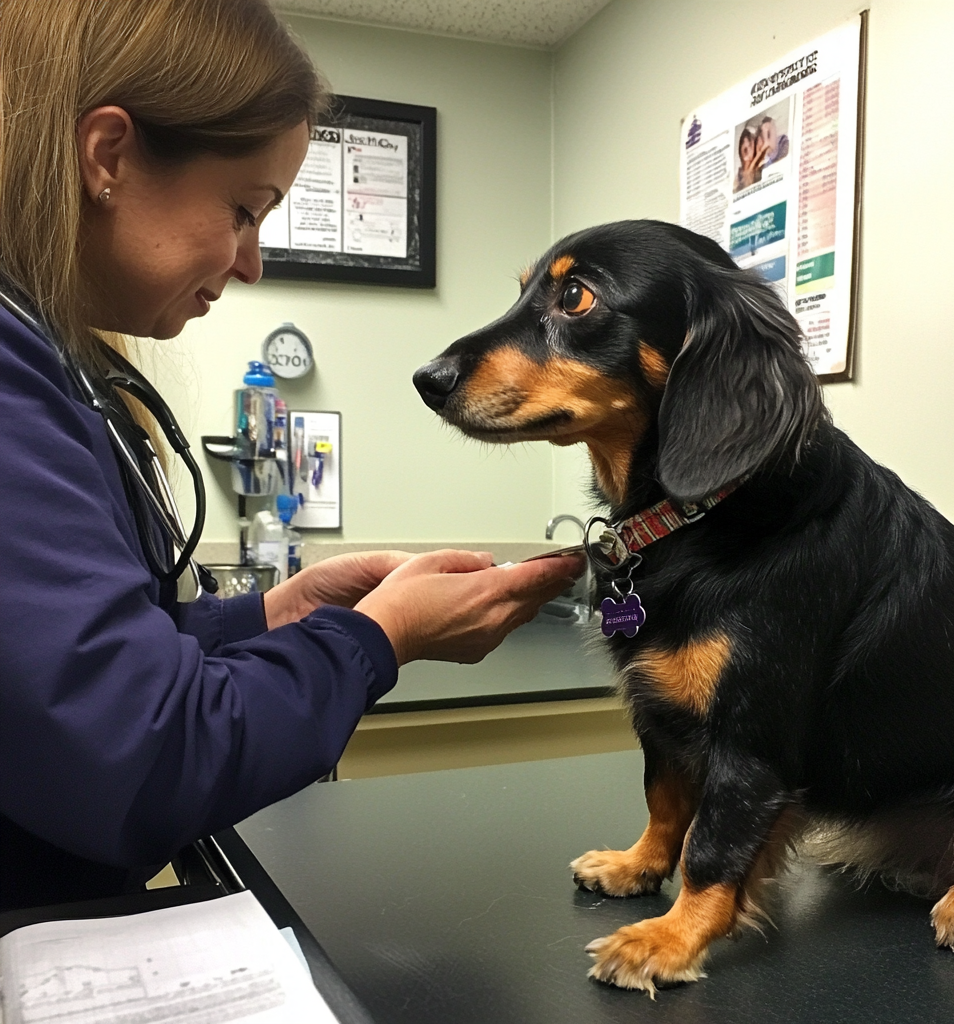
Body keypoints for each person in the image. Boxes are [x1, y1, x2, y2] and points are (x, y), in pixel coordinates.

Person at [0, 0, 583, 912]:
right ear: (106, 156)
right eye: (244, 209)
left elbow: (64, 681)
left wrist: (276, 611)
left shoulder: (44, 360)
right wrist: (379, 636)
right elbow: (142, 755)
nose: (251, 264)